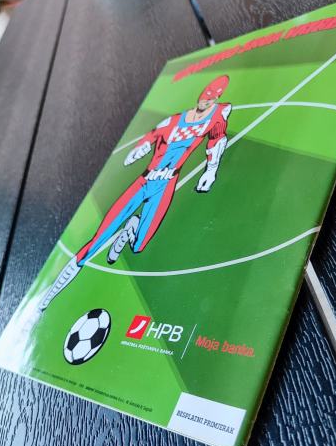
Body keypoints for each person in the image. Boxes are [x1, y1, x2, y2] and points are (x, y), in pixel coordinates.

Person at [40, 75, 232, 311]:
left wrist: (210, 171)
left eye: (212, 98)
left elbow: (217, 141)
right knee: (97, 240)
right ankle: (49, 296)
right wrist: (141, 147)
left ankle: (133, 228)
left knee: (139, 245)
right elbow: (152, 135)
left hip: (166, 185)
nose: (207, 101)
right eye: (205, 97)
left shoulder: (216, 117)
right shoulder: (173, 121)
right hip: (144, 182)